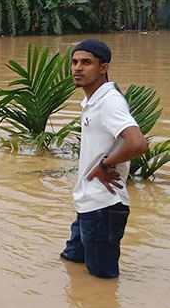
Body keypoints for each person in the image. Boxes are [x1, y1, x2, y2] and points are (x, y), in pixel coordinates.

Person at [60, 39, 148, 279]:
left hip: (104, 208)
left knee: (102, 281)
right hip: (88, 203)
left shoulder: (109, 102)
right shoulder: (92, 100)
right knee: (71, 262)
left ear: (103, 67)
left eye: (86, 62)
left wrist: (105, 164)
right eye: (75, 62)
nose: (77, 68)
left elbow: (138, 143)